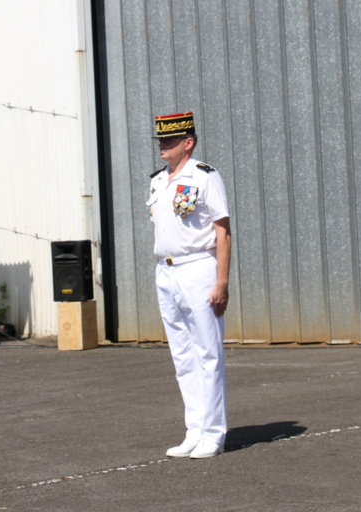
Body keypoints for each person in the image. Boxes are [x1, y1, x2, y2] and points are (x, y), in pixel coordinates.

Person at [148, 111, 231, 459]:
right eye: (160, 141)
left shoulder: (205, 177)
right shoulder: (157, 181)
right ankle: (194, 428)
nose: (162, 146)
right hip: (166, 271)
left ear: (188, 143)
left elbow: (222, 231)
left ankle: (214, 432)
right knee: (182, 355)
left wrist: (222, 281)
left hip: (198, 268)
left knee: (208, 353)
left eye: (169, 141)